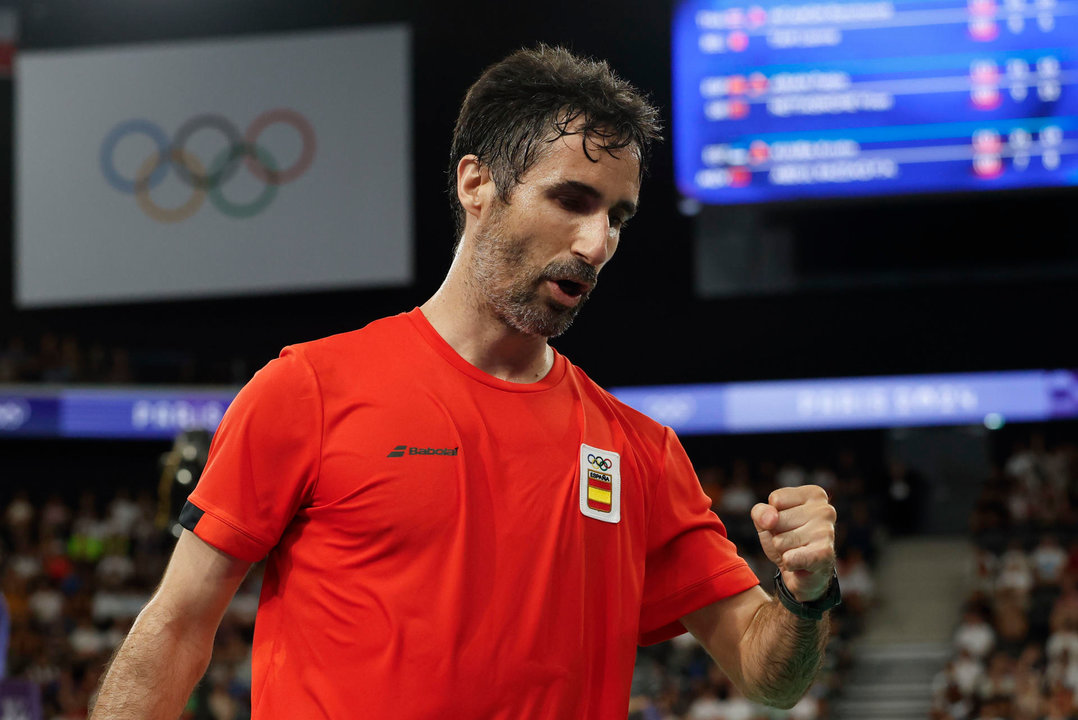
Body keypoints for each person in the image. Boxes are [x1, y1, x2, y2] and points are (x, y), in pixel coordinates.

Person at [90, 45, 839, 719]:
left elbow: (766, 674)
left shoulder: (639, 453)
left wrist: (805, 598)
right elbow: (179, 625)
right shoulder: (308, 390)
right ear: (477, 183)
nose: (597, 242)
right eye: (571, 200)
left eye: (618, 217)